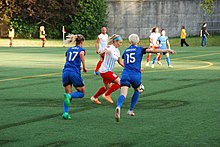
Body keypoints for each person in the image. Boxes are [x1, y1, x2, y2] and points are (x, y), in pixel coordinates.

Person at [114, 34, 176, 122]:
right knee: (138, 89)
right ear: (138, 41)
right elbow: (154, 50)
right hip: (135, 75)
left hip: (125, 74)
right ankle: (130, 110)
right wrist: (167, 50)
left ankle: (118, 106)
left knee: (123, 94)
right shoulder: (140, 49)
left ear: (129, 41)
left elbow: (126, 61)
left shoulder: (126, 51)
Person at [91, 34, 124, 105]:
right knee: (120, 82)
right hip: (105, 70)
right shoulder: (110, 47)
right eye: (119, 42)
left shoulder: (117, 51)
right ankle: (107, 95)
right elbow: (104, 50)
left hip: (106, 70)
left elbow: (120, 62)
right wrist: (103, 52)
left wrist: (128, 68)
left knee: (107, 87)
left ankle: (94, 97)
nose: (120, 44)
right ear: (115, 41)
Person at [62, 34, 87, 120]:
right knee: (82, 93)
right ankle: (69, 96)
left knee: (68, 93)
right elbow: (81, 55)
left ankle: (65, 112)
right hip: (74, 73)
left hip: (65, 72)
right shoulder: (81, 49)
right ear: (82, 42)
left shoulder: (69, 49)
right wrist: (84, 67)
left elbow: (69, 59)